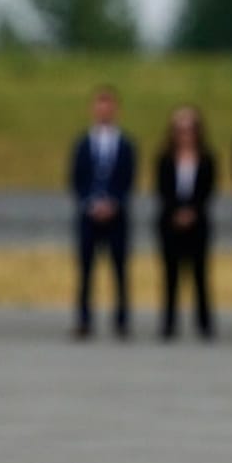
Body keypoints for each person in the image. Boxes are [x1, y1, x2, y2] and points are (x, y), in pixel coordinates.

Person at [69, 84, 136, 339]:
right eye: (99, 104)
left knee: (119, 269)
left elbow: (129, 178)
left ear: (115, 109)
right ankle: (84, 319)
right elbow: (76, 178)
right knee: (86, 269)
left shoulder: (126, 144)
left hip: (116, 216)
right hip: (89, 215)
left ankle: (121, 320)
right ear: (93, 109)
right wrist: (91, 203)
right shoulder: (83, 143)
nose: (104, 109)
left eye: (108, 105)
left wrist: (113, 203)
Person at [155, 105, 216, 340]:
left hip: (198, 223)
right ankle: (169, 323)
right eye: (180, 129)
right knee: (170, 274)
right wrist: (177, 212)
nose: (185, 134)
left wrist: (192, 212)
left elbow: (208, 190)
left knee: (200, 274)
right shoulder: (165, 159)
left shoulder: (207, 159)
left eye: (190, 128)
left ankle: (204, 323)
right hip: (170, 223)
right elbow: (163, 190)